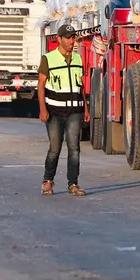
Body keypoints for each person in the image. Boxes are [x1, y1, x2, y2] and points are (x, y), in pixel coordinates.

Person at [38, 24, 88, 196]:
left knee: (74, 148)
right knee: (55, 148)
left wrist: (86, 108)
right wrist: (43, 110)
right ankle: (48, 181)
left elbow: (81, 86)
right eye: (68, 37)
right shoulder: (48, 59)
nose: (71, 41)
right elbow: (41, 85)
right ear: (59, 39)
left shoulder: (78, 59)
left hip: (74, 111)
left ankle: (73, 184)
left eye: (73, 37)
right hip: (54, 112)